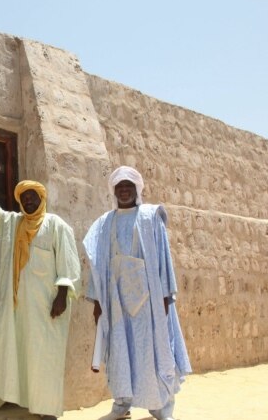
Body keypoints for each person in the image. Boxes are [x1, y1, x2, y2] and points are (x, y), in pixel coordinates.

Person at [0, 157, 80, 420]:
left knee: (43, 353)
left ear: (41, 199)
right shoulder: (11, 223)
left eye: (33, 197)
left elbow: (68, 265)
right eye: (24, 198)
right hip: (13, 304)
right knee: (5, 346)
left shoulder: (56, 226)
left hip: (44, 305)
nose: (29, 201)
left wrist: (62, 295)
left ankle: (46, 407)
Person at [83, 166, 191, 420]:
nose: (124, 190)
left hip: (150, 301)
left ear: (137, 189)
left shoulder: (150, 217)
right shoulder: (103, 223)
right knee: (121, 352)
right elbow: (97, 263)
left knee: (153, 352)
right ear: (113, 190)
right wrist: (97, 300)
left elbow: (164, 257)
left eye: (128, 186)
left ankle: (161, 408)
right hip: (117, 301)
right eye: (119, 186)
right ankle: (121, 405)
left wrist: (166, 296)